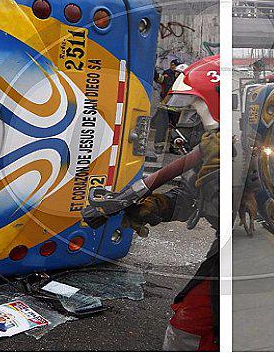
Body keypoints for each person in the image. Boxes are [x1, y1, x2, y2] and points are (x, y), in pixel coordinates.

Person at [92, 56, 221, 351]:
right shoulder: (214, 146)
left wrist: (223, 173)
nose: (193, 118)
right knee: (194, 319)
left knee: (194, 323)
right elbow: (189, 197)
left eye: (196, 110)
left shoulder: (245, 150)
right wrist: (157, 206)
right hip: (223, 253)